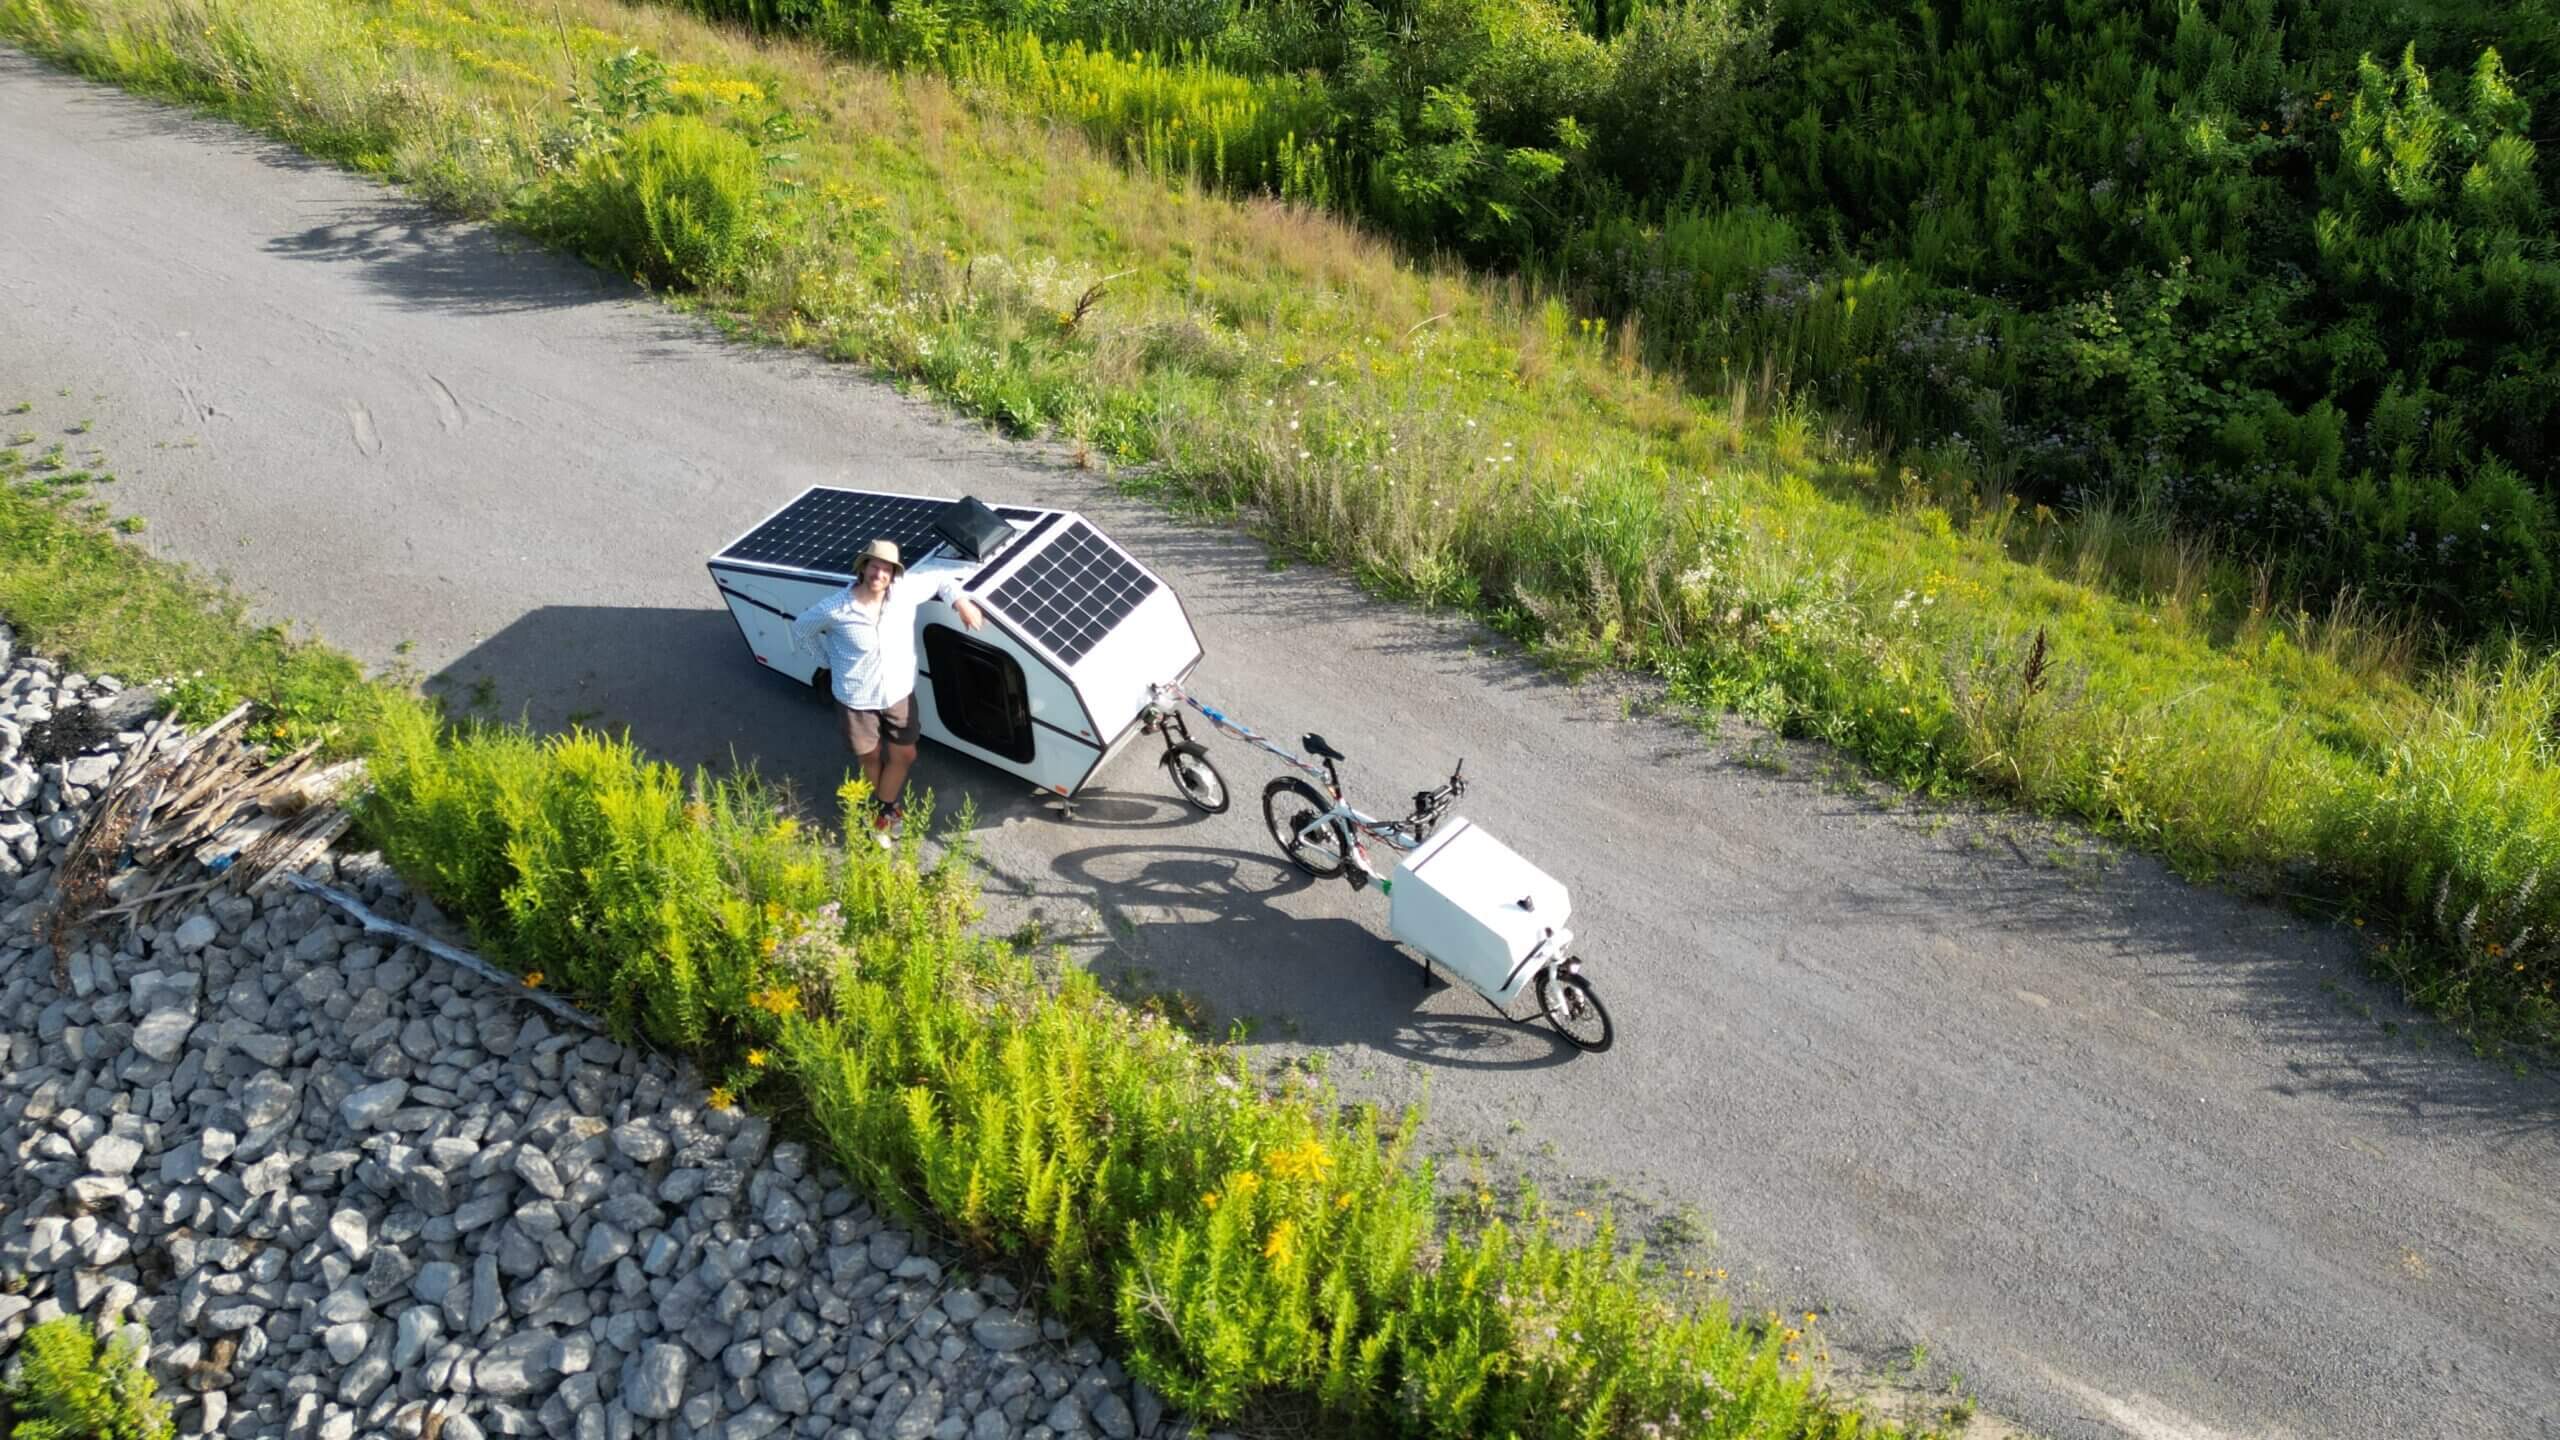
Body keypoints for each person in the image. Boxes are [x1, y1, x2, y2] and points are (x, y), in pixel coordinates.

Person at [790, 538, 986, 846]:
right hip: (857, 699)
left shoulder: (903, 593)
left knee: (905, 753)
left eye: (887, 569)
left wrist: (961, 602)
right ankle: (885, 810)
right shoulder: (836, 608)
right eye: (874, 566)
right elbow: (801, 629)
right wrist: (828, 661)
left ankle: (882, 806)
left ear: (894, 573)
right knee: (870, 757)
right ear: (863, 568)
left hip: (898, 693)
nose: (880, 574)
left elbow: (942, 580)